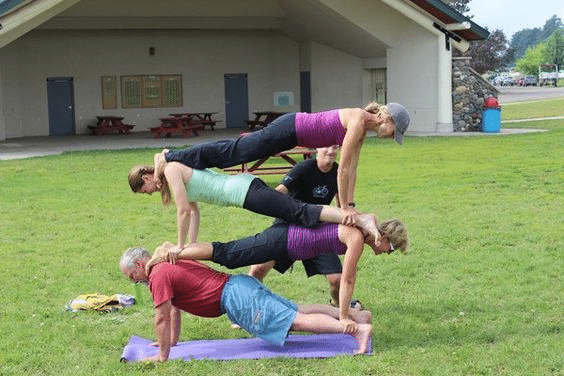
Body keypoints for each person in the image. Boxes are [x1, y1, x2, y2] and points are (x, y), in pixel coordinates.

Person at [145, 219, 408, 330]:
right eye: (392, 247)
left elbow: (345, 279)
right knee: (229, 255)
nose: (389, 252)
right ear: (382, 237)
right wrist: (341, 315)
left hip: (291, 248)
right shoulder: (357, 238)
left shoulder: (360, 232)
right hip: (283, 241)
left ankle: (176, 251)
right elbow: (349, 279)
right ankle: (174, 250)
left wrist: (345, 313)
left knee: (234, 256)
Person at [120, 247, 374, 362]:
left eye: (132, 276)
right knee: (297, 310)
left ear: (141, 265)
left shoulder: (157, 275)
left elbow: (161, 317)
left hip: (237, 299)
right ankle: (355, 316)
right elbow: (174, 308)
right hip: (240, 286)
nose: (134, 282)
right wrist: (171, 343)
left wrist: (162, 356)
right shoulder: (165, 265)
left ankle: (357, 330)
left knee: (294, 321)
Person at [156, 102, 410, 215]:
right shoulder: (358, 120)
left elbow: (353, 169)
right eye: (394, 132)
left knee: (234, 151)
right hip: (290, 128)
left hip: (292, 133)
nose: (391, 137)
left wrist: (350, 206)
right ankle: (170, 156)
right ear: (386, 119)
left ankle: (176, 157)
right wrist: (343, 209)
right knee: (234, 153)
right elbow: (342, 170)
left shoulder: (364, 126)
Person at [128, 161, 379, 250]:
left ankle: (358, 219)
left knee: (298, 211)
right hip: (244, 193)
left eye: (145, 190)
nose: (149, 193)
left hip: (244, 191)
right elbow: (193, 211)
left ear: (147, 178)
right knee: (297, 211)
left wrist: (180, 245)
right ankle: (352, 221)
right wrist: (189, 246)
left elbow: (183, 211)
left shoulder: (171, 170)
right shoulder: (171, 174)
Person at [249, 145, 346, 307]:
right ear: (317, 148)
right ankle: (247, 308)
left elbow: (342, 205)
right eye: (326, 146)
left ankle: (338, 305)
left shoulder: (339, 172)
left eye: (334, 146)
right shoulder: (303, 168)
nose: (330, 150)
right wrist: (257, 200)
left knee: (337, 279)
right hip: (288, 225)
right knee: (258, 268)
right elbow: (280, 191)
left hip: (317, 230)